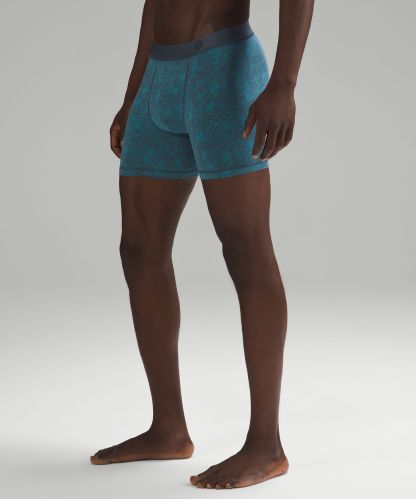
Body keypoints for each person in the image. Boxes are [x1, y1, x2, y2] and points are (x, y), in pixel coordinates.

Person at [90, 0, 314, 489]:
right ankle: (168, 429)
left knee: (246, 251)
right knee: (139, 250)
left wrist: (284, 84)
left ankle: (266, 446)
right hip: (158, 77)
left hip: (224, 71)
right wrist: (133, 94)